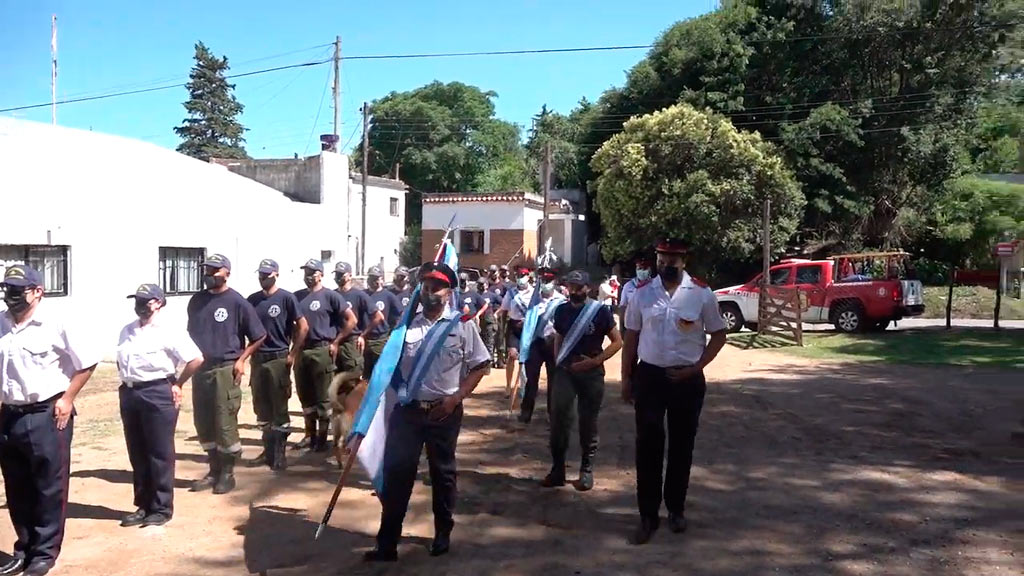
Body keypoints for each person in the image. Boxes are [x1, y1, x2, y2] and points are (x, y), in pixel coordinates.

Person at [364, 262, 491, 563]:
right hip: (408, 413)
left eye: (436, 287)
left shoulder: (462, 325)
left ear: (449, 292)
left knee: (442, 475)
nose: (430, 292)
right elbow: (388, 368)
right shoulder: (405, 325)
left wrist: (456, 397)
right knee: (397, 476)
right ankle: (387, 543)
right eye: (425, 286)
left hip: (443, 413)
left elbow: (480, 366)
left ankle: (442, 533)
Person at [621, 239, 727, 545]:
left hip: (687, 379)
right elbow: (631, 337)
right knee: (648, 447)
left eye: (675, 258)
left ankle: (676, 509)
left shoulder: (701, 293)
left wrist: (697, 367)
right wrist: (626, 378)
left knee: (682, 447)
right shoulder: (641, 293)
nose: (669, 263)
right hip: (650, 377)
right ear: (657, 259)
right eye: (664, 257)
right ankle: (647, 516)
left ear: (684, 261)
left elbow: (719, 335)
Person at [0, 265, 99, 576]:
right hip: (10, 414)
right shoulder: (1, 323)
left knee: (48, 485)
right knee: (17, 486)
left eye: (18, 290)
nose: (10, 296)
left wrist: (67, 398)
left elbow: (87, 362)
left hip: (46, 414)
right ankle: (24, 547)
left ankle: (44, 552)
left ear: (38, 291)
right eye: (6, 289)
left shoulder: (56, 322)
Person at [116, 284, 204, 528]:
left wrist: (178, 384)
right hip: (131, 392)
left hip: (157, 392)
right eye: (137, 301)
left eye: (145, 301)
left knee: (159, 452)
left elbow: (196, 358)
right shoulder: (127, 330)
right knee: (138, 451)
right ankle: (143, 505)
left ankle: (162, 507)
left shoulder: (170, 330)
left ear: (158, 303)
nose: (140, 306)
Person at [186, 254, 267, 495]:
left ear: (227, 273)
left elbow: (259, 335)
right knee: (204, 421)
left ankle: (227, 474)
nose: (209, 275)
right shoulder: (196, 301)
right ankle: (213, 471)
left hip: (225, 368)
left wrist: (242, 359)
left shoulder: (237, 302)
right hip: (201, 369)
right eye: (206, 271)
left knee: (224, 422)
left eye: (214, 271)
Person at [546, 270, 622, 491]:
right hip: (566, 371)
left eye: (578, 287)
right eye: (570, 287)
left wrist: (595, 361)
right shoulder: (561, 310)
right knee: (559, 419)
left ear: (588, 288)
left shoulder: (600, 312)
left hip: (591, 373)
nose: (574, 291)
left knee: (588, 421)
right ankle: (557, 469)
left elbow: (617, 342)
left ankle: (586, 470)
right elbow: (559, 336)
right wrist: (558, 361)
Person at [246, 259, 308, 470]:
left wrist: (293, 353)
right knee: (261, 408)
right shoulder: (252, 300)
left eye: (267, 275)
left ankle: (280, 453)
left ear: (276, 275)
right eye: (261, 275)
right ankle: (268, 451)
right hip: (258, 359)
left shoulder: (286, 298)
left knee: (279, 407)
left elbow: (303, 326)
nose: (263, 278)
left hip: (278, 357)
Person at [294, 259, 357, 452]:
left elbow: (351, 320)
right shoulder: (297, 297)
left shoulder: (330, 296)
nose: (308, 276)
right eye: (306, 272)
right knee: (305, 397)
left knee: (323, 398)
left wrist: (336, 341)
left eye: (312, 272)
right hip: (302, 351)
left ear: (321, 274)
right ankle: (310, 437)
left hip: (322, 350)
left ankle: (322, 440)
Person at [518, 266, 565, 424]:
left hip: (553, 343)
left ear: (555, 281)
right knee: (531, 380)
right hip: (536, 343)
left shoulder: (561, 301)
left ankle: (553, 414)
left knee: (554, 380)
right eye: (544, 280)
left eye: (549, 280)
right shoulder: (533, 300)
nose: (546, 283)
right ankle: (526, 412)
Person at [334, 262, 385, 376]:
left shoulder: (359, 295)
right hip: (335, 342)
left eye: (341, 274)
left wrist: (363, 335)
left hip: (351, 342)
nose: (338, 277)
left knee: (353, 381)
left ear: (349, 276)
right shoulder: (333, 295)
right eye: (337, 274)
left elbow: (378, 317)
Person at [498, 271, 533, 398]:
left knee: (525, 358)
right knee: (512, 355)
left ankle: (524, 386)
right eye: (519, 276)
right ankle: (508, 385)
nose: (521, 278)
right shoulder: (511, 292)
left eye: (523, 276)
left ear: (528, 277)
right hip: (514, 326)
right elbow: (504, 309)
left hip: (528, 327)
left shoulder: (534, 292)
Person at [365, 264, 402, 378]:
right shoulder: (363, 295)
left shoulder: (388, 296)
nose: (374, 281)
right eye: (371, 278)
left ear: (382, 279)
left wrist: (393, 333)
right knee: (365, 374)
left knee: (380, 372)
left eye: (376, 278)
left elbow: (400, 314)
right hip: (364, 339)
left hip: (380, 339)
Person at [619, 256, 655, 326]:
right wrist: (621, 325)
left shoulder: (655, 285)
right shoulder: (629, 286)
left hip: (649, 324)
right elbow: (623, 306)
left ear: (650, 270)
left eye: (645, 269)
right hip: (631, 324)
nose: (642, 271)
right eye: (639, 269)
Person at [477, 278, 500, 366]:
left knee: (489, 343)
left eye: (482, 284)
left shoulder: (492, 295)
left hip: (489, 322)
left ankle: (488, 363)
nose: (480, 286)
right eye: (479, 284)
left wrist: (497, 313)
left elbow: (503, 303)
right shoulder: (475, 295)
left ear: (486, 285)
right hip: (478, 322)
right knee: (479, 343)